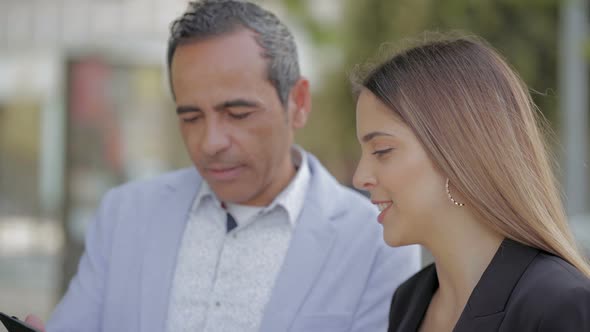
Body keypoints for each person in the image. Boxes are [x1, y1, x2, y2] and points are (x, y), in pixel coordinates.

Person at [25, 1, 420, 332]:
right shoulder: (122, 214)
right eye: (191, 117)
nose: (210, 142)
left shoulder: (378, 240)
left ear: (298, 102)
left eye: (237, 112)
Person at [352, 33, 590, 332]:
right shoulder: (409, 300)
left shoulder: (561, 305)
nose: (360, 177)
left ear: (458, 156)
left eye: (381, 151)